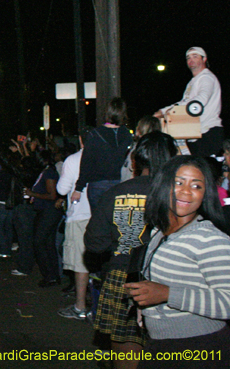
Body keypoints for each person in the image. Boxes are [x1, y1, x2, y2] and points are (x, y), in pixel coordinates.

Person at [126, 156, 230, 368]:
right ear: (164, 185)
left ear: (204, 194)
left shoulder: (209, 239)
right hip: (160, 342)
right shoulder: (158, 231)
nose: (186, 191)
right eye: (179, 182)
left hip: (200, 348)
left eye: (196, 185)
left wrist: (167, 294)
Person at [85, 132, 178, 368]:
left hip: (122, 278)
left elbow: (95, 243)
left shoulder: (115, 193)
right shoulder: (180, 195)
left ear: (135, 161)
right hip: (169, 279)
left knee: (126, 355)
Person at [154, 47, 223, 157]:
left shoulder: (206, 77)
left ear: (204, 59)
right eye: (188, 58)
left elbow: (201, 99)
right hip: (194, 134)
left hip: (207, 132)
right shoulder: (193, 81)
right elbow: (184, 102)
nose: (191, 60)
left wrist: (172, 110)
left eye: (195, 56)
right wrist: (162, 111)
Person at [75, 97, 133, 211]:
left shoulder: (95, 134)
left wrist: (78, 188)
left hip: (98, 184)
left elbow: (86, 163)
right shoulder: (126, 135)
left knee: (99, 222)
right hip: (120, 183)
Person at [56, 134, 91, 320]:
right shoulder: (108, 157)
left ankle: (80, 306)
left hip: (79, 216)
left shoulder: (74, 159)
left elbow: (61, 190)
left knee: (81, 263)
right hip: (101, 215)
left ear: (80, 140)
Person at [26, 150, 62, 287]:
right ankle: (53, 275)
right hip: (47, 211)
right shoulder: (45, 171)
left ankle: (49, 275)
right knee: (48, 244)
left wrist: (32, 193)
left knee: (39, 242)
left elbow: (52, 195)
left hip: (50, 211)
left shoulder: (49, 173)